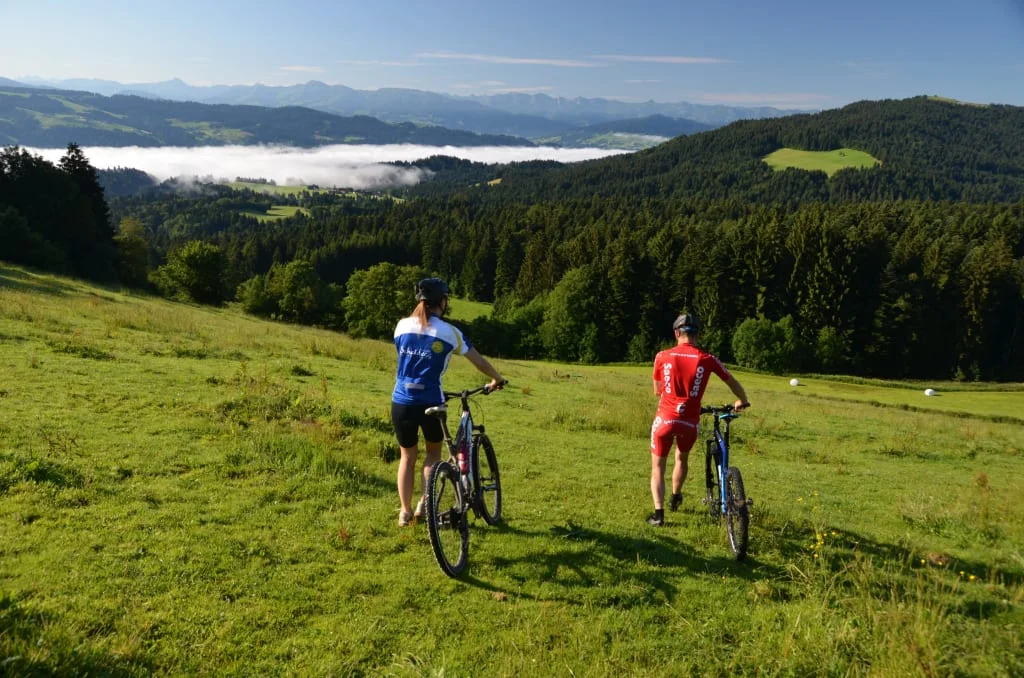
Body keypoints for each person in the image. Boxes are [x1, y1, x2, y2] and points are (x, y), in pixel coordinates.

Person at [391, 277, 505, 527]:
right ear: (441, 302)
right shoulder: (449, 332)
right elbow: (478, 361)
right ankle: (424, 504)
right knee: (433, 454)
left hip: (400, 401)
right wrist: (496, 378)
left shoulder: (401, 326)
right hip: (430, 401)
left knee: (406, 457)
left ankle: (404, 512)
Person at [647, 312, 749, 526]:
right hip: (689, 423)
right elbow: (731, 381)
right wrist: (742, 400)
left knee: (658, 466)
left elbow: (657, 390)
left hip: (664, 420)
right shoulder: (707, 359)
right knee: (681, 459)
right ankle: (676, 495)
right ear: (698, 335)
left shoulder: (662, 356)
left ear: (677, 333)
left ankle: (659, 514)